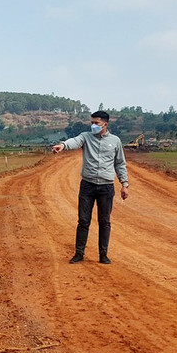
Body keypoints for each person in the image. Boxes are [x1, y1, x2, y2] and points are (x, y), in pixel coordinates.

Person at [52, 110, 129, 264]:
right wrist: (63, 145)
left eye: (96, 123)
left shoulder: (115, 141)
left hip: (106, 187)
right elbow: (75, 141)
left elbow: (120, 163)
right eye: (92, 123)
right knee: (83, 221)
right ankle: (79, 253)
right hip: (87, 185)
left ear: (105, 124)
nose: (93, 125)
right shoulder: (85, 137)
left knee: (104, 221)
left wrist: (124, 184)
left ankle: (103, 254)